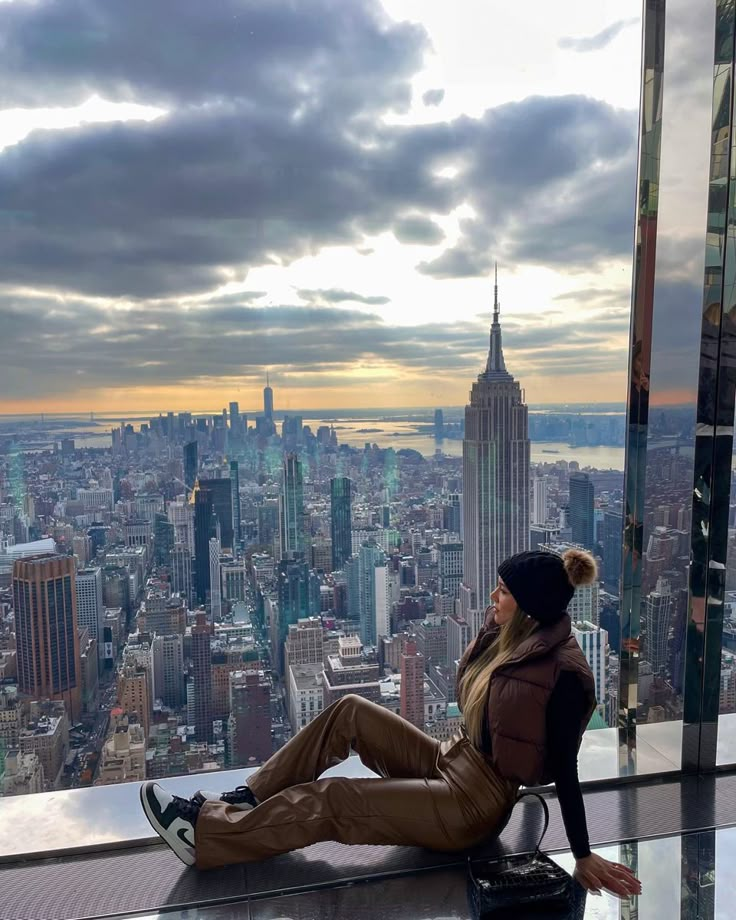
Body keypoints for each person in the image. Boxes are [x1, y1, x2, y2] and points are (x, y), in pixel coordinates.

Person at [140, 547, 641, 898]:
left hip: (474, 805)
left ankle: (206, 837)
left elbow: (565, 767)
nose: (492, 595)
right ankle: (251, 797)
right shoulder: (506, 635)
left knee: (336, 800)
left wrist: (582, 853)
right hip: (452, 760)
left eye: (504, 591)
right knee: (350, 711)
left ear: (529, 607)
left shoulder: (564, 673)